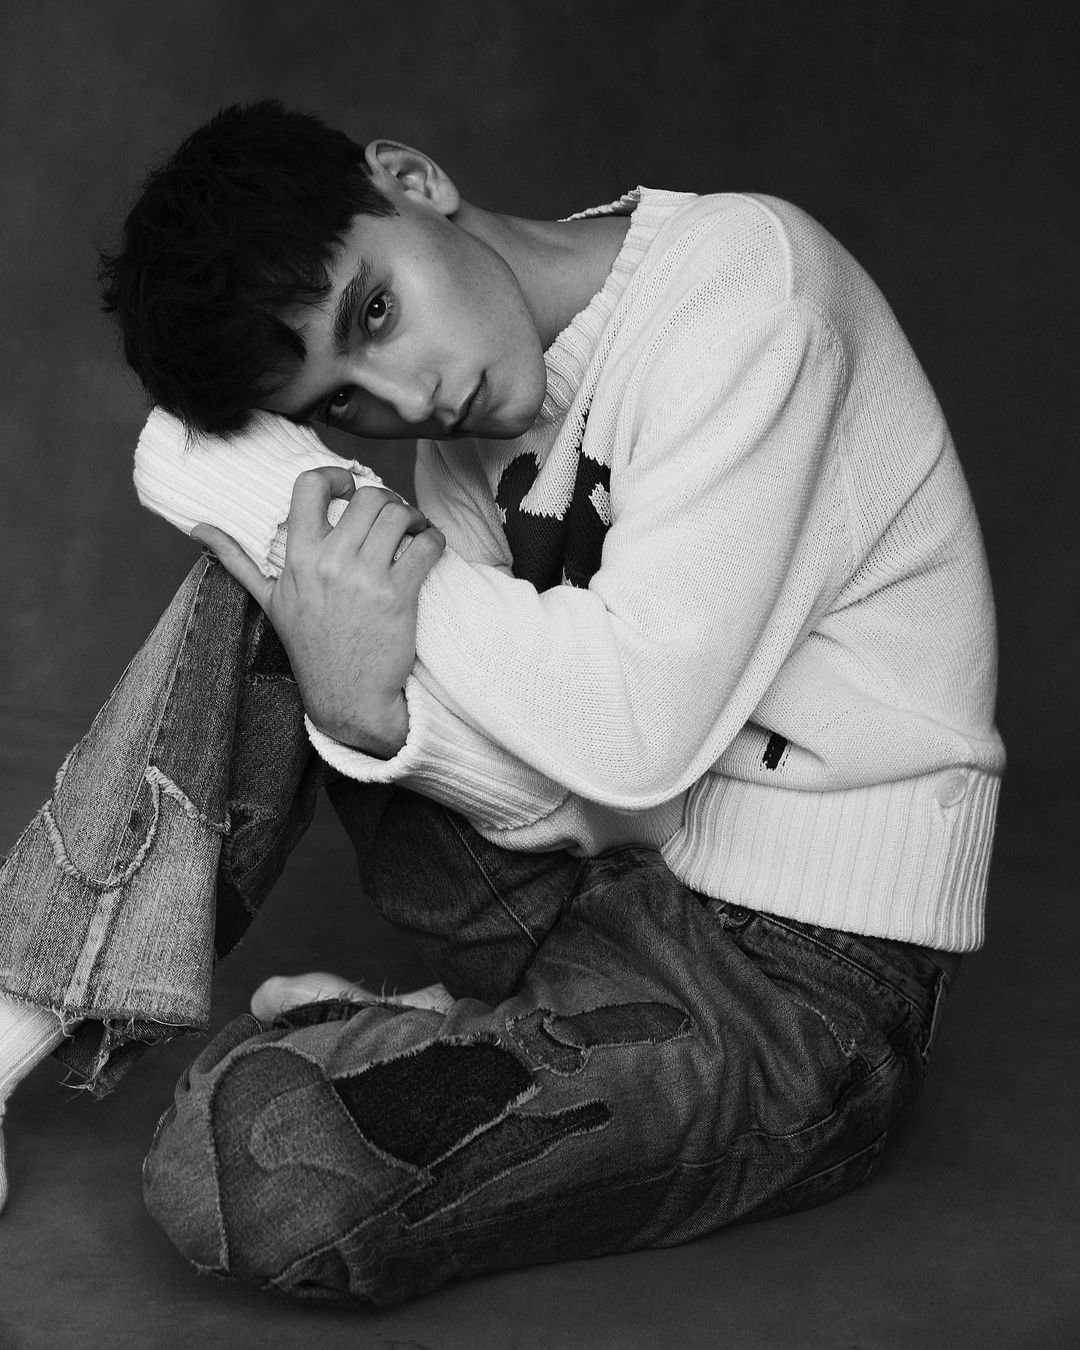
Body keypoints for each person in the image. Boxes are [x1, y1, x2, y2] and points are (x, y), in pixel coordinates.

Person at [0, 100, 1004, 1304]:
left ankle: (440, 1040)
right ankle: (9, 1023)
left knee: (259, 1175)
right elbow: (559, 793)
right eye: (341, 403)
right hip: (607, 877)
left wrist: (296, 497)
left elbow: (631, 738)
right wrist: (363, 711)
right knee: (289, 573)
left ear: (412, 180)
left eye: (374, 312)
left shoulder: (752, 295)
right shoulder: (466, 435)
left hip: (799, 990)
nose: (408, 396)